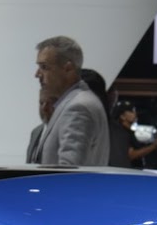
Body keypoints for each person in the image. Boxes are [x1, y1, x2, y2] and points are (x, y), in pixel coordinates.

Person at [28, 35, 109, 166]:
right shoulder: (76, 102)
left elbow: (69, 171)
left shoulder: (78, 107)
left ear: (68, 68)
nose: (37, 74)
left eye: (44, 67)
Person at [108, 102, 157, 169]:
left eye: (134, 111)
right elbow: (131, 155)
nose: (135, 114)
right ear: (122, 116)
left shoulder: (128, 132)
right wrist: (154, 146)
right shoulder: (120, 133)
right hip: (126, 171)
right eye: (131, 111)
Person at [25, 89, 58, 166]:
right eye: (41, 103)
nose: (44, 108)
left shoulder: (63, 131)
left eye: (50, 103)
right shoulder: (35, 132)